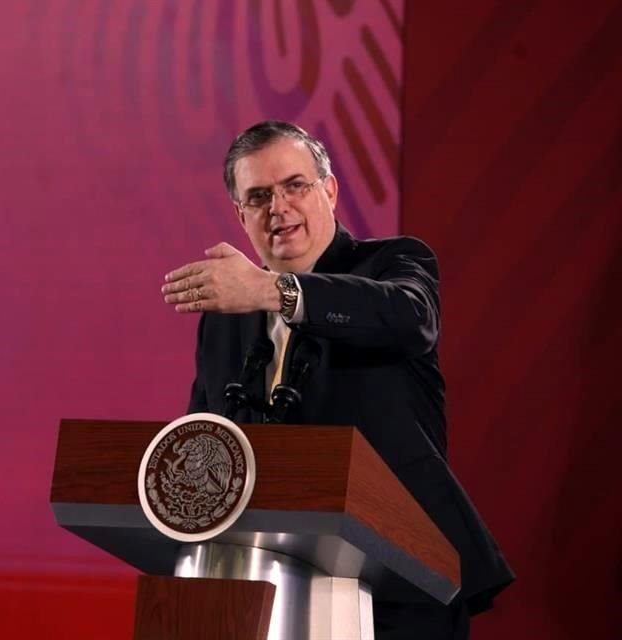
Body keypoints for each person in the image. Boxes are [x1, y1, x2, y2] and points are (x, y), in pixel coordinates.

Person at [162, 121, 514, 639]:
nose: (277, 207)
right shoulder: (224, 315)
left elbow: (410, 319)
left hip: (398, 581)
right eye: (258, 197)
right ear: (241, 216)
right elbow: (206, 434)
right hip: (262, 592)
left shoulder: (393, 264)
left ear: (328, 189)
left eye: (294, 186)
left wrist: (274, 292)